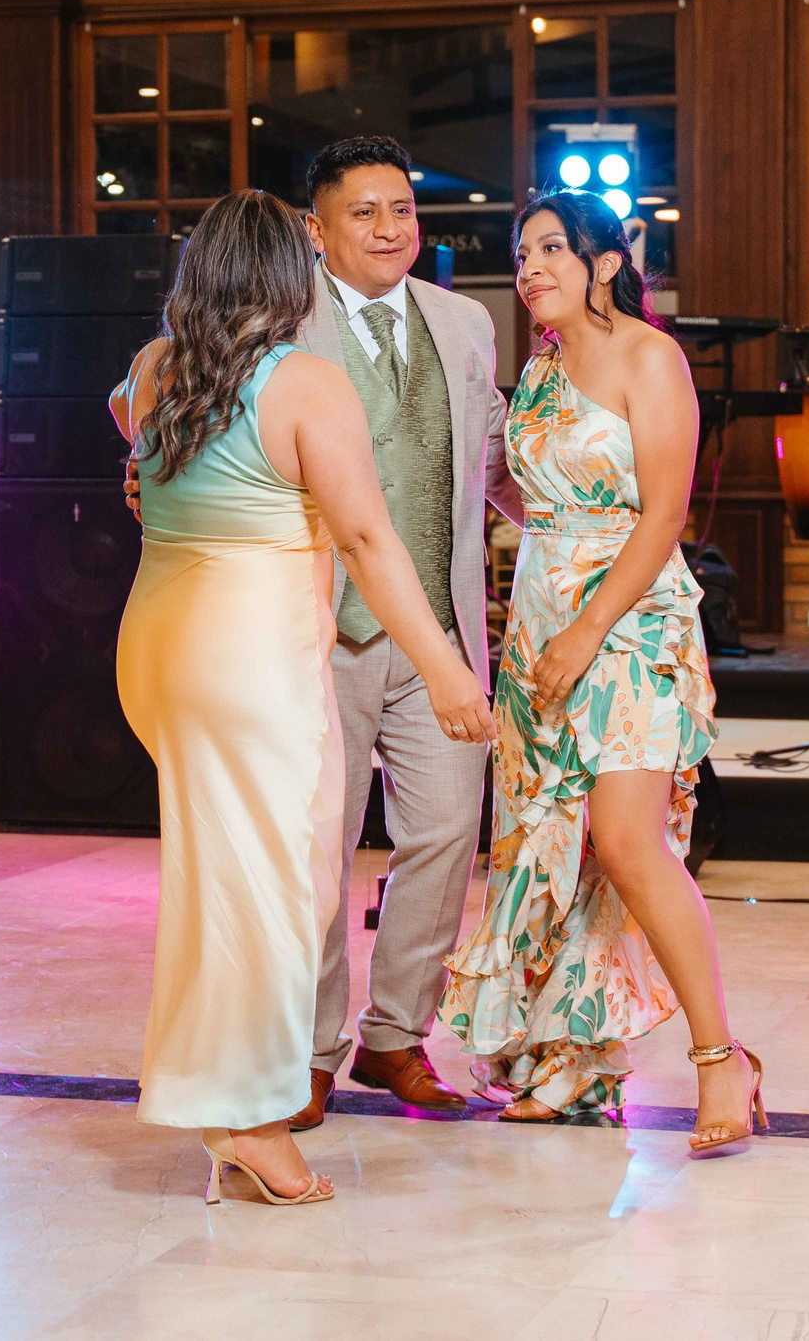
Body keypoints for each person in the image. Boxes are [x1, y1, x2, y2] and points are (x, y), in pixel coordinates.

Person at [112, 189, 495, 1207]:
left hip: (160, 637)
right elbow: (370, 541)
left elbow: (127, 426)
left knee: (228, 877)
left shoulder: (161, 368)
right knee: (275, 891)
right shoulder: (306, 381)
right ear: (290, 274)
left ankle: (230, 1096)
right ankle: (246, 1120)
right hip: (249, 653)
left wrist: (151, 478)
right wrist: (448, 670)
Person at [440, 191, 764, 1156]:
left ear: (607, 263)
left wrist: (584, 629)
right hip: (540, 620)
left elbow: (664, 514)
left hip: (629, 624)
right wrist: (496, 493)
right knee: (548, 845)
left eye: (551, 249)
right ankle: (570, 1067)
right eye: (522, 250)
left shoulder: (649, 358)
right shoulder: (538, 370)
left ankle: (721, 1059)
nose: (531, 266)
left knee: (626, 841)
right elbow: (521, 490)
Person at [287, 134, 521, 1130]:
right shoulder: (276, 318)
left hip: (442, 634)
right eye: (364, 214)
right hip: (320, 634)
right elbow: (156, 385)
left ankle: (394, 1038)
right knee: (320, 850)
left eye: (402, 212)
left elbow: (496, 456)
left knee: (442, 836)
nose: (389, 231)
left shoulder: (465, 322)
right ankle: (306, 1051)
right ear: (316, 230)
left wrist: (582, 522)